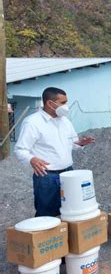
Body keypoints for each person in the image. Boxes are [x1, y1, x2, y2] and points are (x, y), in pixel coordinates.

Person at [14, 87, 94, 217]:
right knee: (47, 212)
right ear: (50, 103)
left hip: (69, 172)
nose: (66, 106)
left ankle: (64, 235)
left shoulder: (65, 121)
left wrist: (81, 143)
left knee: (71, 209)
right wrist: (32, 159)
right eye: (63, 102)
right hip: (47, 176)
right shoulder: (32, 123)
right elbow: (20, 149)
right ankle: (47, 236)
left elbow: (72, 143)